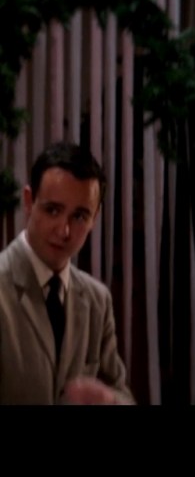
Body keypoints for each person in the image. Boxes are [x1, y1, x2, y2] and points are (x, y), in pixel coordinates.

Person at [0, 141, 133, 405]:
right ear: (28, 201)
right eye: (53, 210)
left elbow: (119, 393)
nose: (64, 231)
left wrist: (108, 401)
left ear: (95, 217)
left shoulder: (97, 300)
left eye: (80, 216)